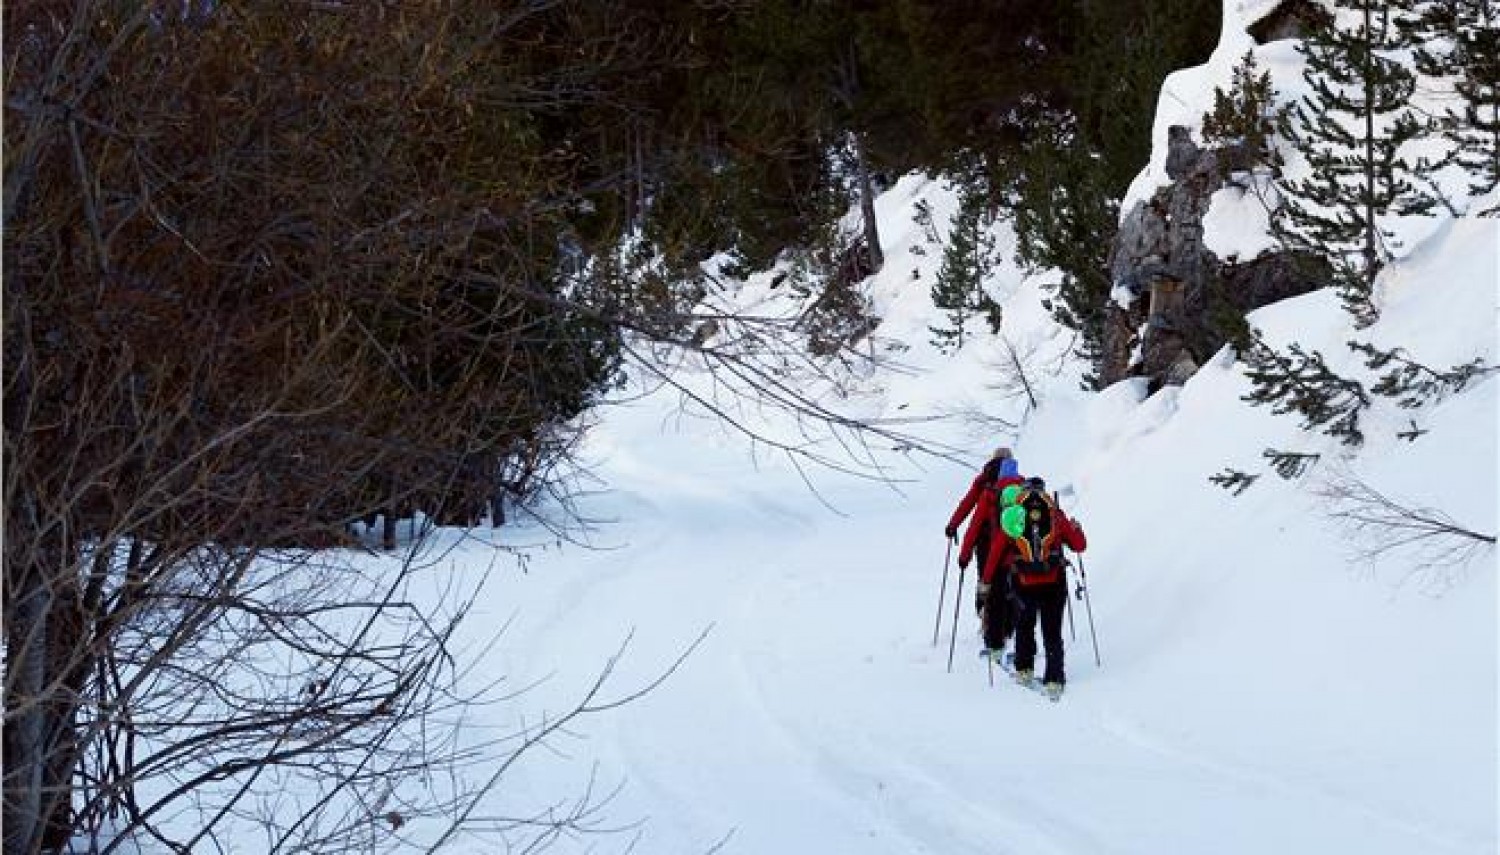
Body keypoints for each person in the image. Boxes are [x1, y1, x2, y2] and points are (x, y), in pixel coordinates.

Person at [989, 477, 1087, 699]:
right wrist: (1076, 528)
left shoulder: (1015, 515)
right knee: (1052, 631)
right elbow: (1079, 546)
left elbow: (997, 549)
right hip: (1054, 583)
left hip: (1024, 583)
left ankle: (1024, 669)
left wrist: (987, 580)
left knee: (1025, 627)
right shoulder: (1055, 515)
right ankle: (1054, 679)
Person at [950, 448, 1025, 652]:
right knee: (1013, 587)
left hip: (986, 543)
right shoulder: (1020, 485)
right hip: (1016, 546)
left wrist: (954, 527)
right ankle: (1011, 627)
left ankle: (991, 630)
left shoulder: (985, 483)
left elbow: (968, 508)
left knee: (989, 584)